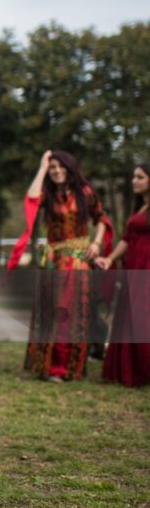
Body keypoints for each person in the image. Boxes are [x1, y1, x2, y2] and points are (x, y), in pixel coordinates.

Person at [19, 150, 107, 382]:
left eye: (60, 167)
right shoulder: (48, 194)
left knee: (71, 313)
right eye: (53, 168)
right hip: (53, 260)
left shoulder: (86, 193)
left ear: (70, 168)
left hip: (77, 261)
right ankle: (47, 366)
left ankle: (66, 367)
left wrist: (97, 244)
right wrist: (41, 168)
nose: (57, 172)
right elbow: (31, 199)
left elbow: (102, 221)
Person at [96, 163, 150, 387]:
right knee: (130, 316)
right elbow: (126, 239)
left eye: (140, 177)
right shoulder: (140, 207)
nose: (134, 181)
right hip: (134, 268)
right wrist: (109, 259)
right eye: (134, 177)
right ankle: (130, 371)